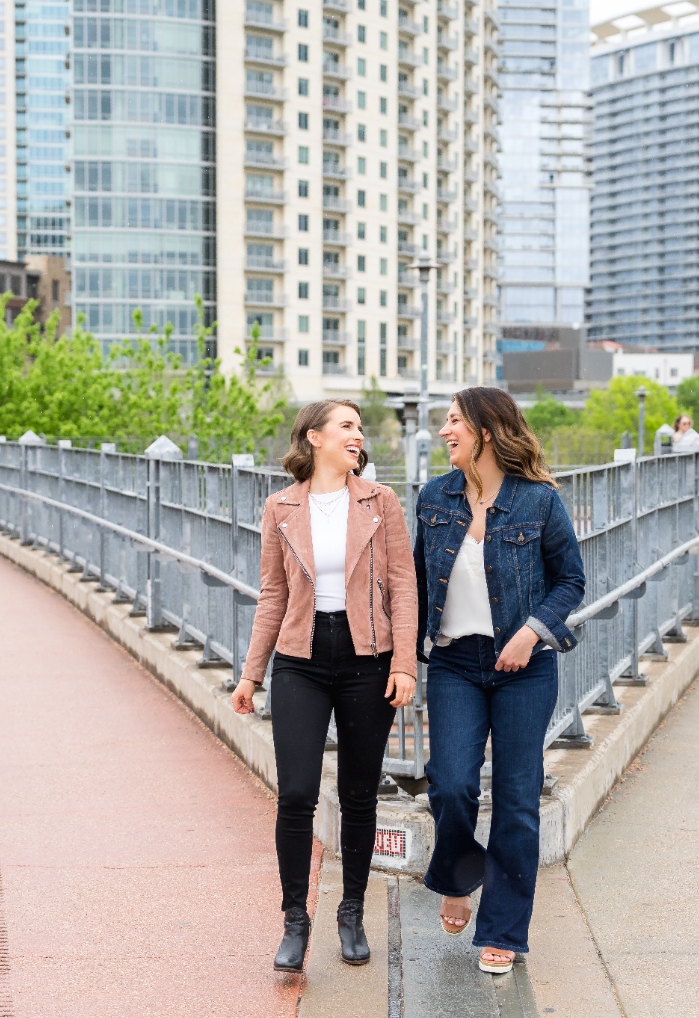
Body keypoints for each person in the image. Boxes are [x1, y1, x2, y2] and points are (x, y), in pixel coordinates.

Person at [232, 400, 418, 973]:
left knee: (361, 793)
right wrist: (251, 674)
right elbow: (272, 594)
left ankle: (353, 911)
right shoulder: (281, 506)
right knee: (296, 794)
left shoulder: (380, 502)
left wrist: (404, 663)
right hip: (300, 660)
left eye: (360, 428)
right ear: (315, 438)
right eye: (347, 426)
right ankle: (295, 920)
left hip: (368, 658)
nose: (357, 436)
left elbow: (404, 586)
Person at [414, 387, 586, 974]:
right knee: (452, 784)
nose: (445, 431)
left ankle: (505, 933)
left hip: (524, 669)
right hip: (456, 663)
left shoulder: (538, 502)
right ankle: (460, 875)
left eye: (454, 421)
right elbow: (415, 582)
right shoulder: (434, 498)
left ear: (486, 430)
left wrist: (532, 631)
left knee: (516, 800)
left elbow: (571, 582)